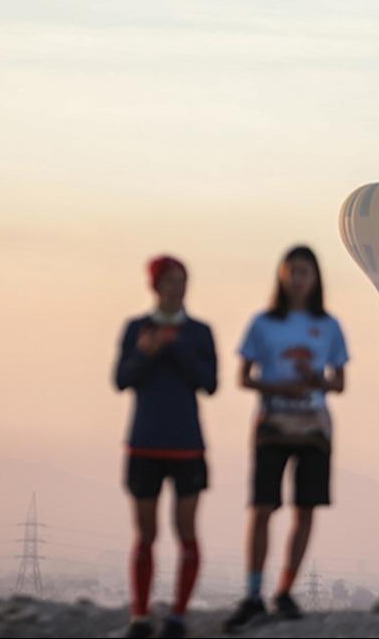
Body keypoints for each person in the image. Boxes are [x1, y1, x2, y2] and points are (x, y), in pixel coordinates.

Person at [224, 246, 349, 633]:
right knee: (262, 506)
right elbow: (243, 377)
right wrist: (278, 385)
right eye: (293, 271)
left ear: (316, 278)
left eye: (305, 272)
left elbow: (339, 382)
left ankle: (285, 590)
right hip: (272, 425)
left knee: (305, 508)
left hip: (314, 428)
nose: (298, 279)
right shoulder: (262, 324)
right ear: (281, 275)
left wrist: (316, 382)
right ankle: (253, 592)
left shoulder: (329, 326)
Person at [114, 255, 218, 638]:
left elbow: (210, 382)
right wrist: (145, 351)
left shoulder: (199, 332)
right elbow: (121, 378)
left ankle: (177, 616)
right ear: (155, 285)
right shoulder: (136, 329)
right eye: (171, 281)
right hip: (143, 444)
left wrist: (174, 350)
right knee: (145, 533)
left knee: (186, 531)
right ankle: (140, 616)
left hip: (187, 445)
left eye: (183, 280)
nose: (178, 287)